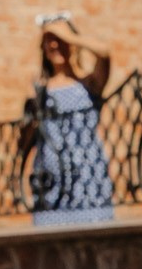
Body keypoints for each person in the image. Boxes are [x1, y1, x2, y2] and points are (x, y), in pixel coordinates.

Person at [20, 17, 115, 228]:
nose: (55, 45)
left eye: (59, 39)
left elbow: (105, 53)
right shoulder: (39, 89)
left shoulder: (88, 83)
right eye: (49, 40)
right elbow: (26, 141)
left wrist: (68, 35)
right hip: (51, 180)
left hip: (89, 178)